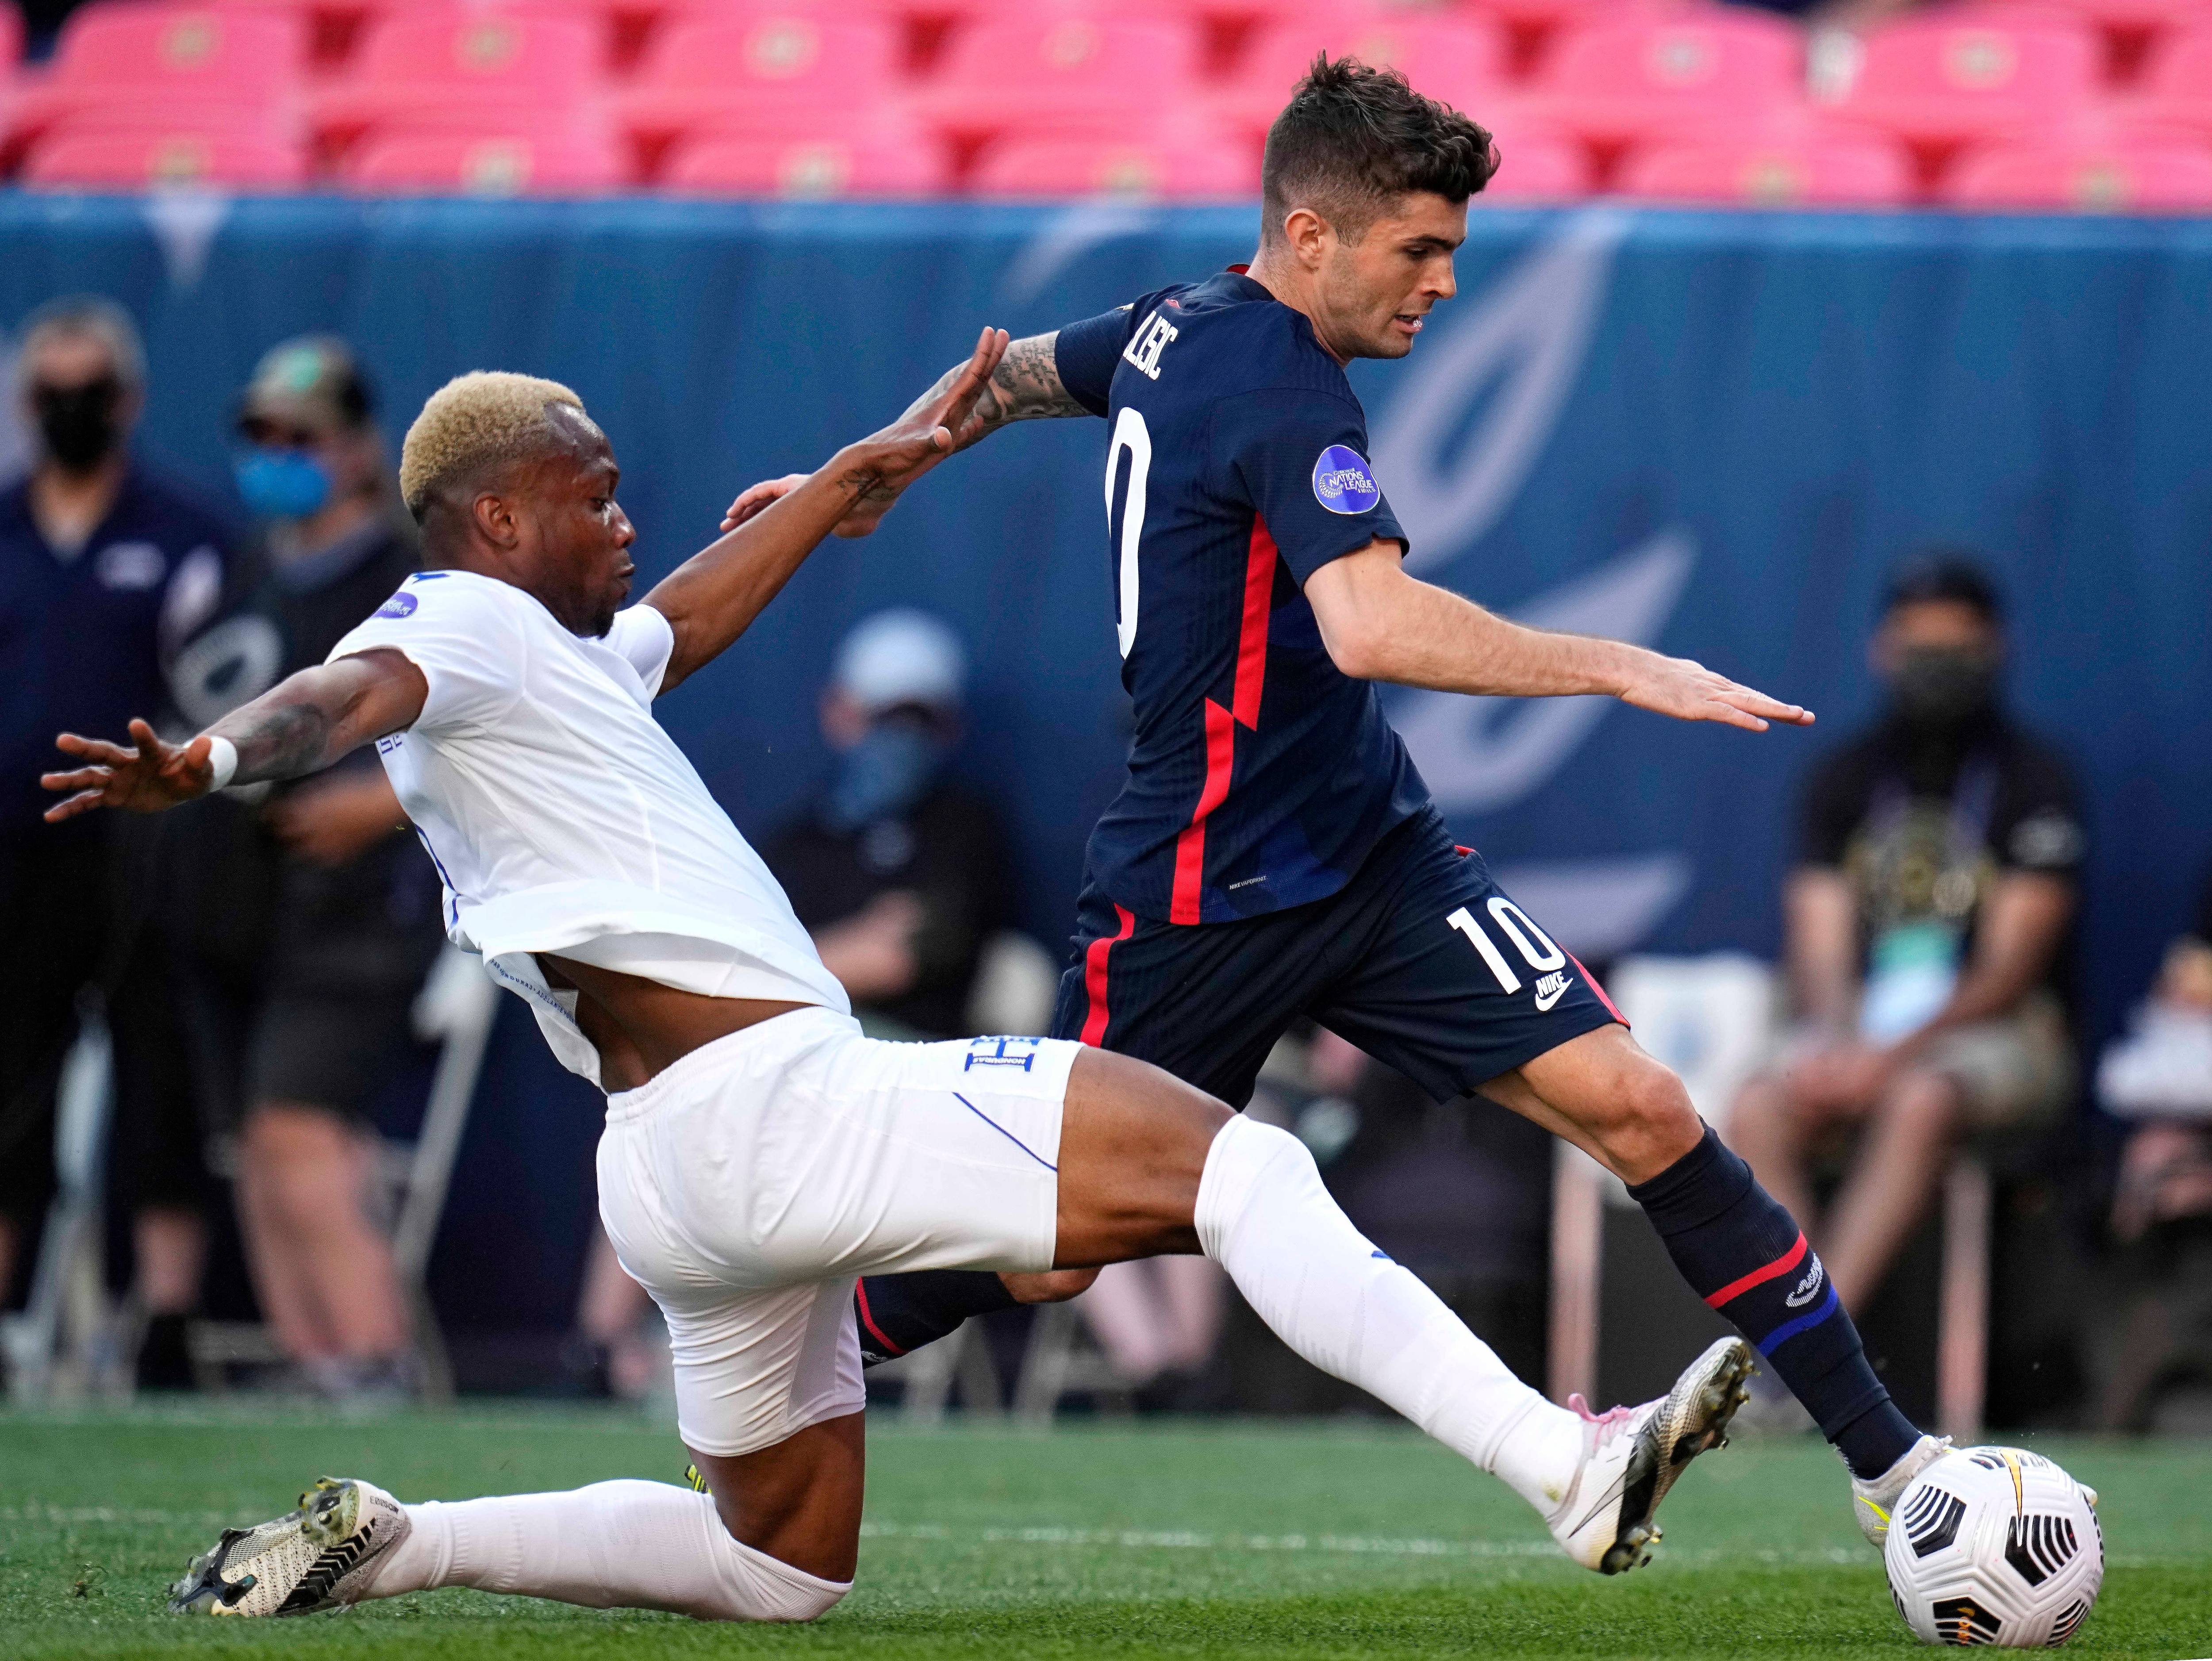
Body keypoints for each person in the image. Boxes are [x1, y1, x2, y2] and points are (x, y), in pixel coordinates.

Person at [49, 342, 1744, 1622]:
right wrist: (205, 760)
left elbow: (687, 623)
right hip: (777, 1107)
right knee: (1243, 1164)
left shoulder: (549, 660)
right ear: (499, 516)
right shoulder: (460, 626)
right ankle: (1561, 1466)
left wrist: (859, 473)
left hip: (670, 1174)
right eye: (596, 491)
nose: (627, 513)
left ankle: (405, 1542)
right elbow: (338, 703)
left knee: (776, 1569)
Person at [726, 54, 1941, 1545]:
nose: (1441, 284)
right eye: (1417, 250)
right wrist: (1621, 665)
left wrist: (881, 465)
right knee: (1043, 1253)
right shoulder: (1281, 385)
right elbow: (1372, 627)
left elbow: (1021, 368)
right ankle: (757, 1380)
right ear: (1311, 236)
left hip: (1371, 853)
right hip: (1200, 888)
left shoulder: (1180, 325)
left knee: (1642, 1107)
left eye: (1453, 252)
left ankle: (1901, 1474)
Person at [104, 336, 444, 1395]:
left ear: (357, 450)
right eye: (260, 435)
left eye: (302, 437)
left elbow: (486, 734)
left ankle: (373, 1365)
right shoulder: (250, 563)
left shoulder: (409, 575)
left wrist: (379, 803)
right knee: (258, 1142)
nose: (278, 455)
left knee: (302, 1128)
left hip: (354, 905)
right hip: (239, 903)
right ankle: (319, 1367)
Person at [1725, 556, 2080, 1330]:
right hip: (1860, 1022)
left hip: (1993, 1030)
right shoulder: (1845, 778)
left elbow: (2010, 971)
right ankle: (1783, 1334)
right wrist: (1836, 1043)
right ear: (1882, 651)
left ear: (1995, 650)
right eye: (1920, 651)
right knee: (1758, 1105)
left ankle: (1820, 1350)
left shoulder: (2035, 781)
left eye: (1954, 652)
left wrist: (1891, 1058)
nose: (1935, 671)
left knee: (1918, 1102)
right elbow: (1819, 947)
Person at [0, 295, 230, 1335]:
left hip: (143, 855)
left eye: (89, 395)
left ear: (128, 402)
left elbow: (222, 687)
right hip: (14, 853)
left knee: (158, 1078)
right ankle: (11, 1314)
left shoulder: (181, 533)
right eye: (52, 396)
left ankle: (163, 1319)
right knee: (13, 1083)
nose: (71, 413)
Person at [765, 607, 1010, 1041]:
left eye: (920, 720)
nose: (901, 738)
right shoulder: (794, 842)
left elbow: (897, 956)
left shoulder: (962, 828)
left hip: (916, 1063)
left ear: (950, 728)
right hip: (798, 1059)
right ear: (838, 712)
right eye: (883, 717)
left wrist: (784, 967)